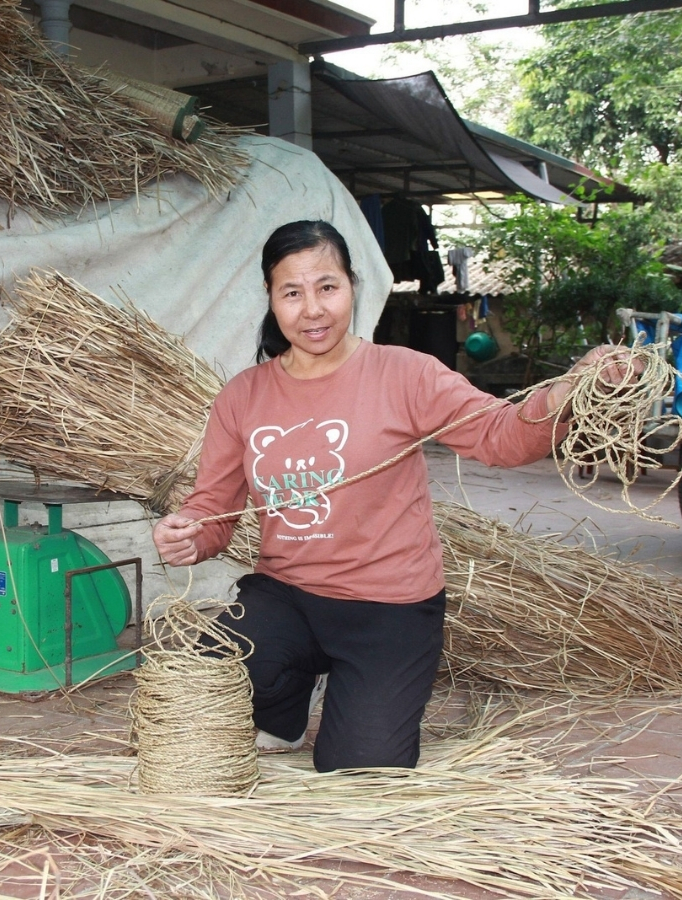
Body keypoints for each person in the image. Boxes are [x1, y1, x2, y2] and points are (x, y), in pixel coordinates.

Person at [152, 220, 636, 774]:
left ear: (353, 286)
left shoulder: (406, 374)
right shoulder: (244, 395)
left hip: (390, 605)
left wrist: (574, 387)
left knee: (362, 771)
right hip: (287, 594)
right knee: (205, 668)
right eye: (292, 292)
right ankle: (284, 708)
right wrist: (187, 531)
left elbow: (502, 437)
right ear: (270, 298)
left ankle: (356, 695)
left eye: (327, 287)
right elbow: (214, 508)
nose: (312, 309)